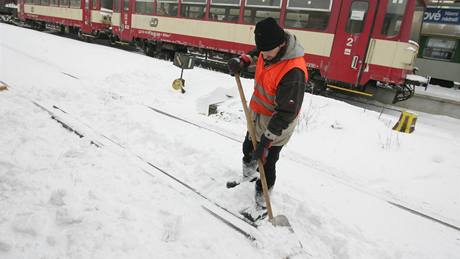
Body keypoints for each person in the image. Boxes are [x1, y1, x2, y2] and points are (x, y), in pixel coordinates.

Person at [227, 17, 308, 208]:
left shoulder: (293, 71)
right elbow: (258, 53)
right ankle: (248, 176)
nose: (264, 55)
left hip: (278, 123)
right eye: (262, 51)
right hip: (257, 116)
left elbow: (286, 113)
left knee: (267, 162)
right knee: (248, 150)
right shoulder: (269, 49)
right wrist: (243, 60)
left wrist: (266, 141)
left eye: (268, 52)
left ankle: (262, 202)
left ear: (281, 44)